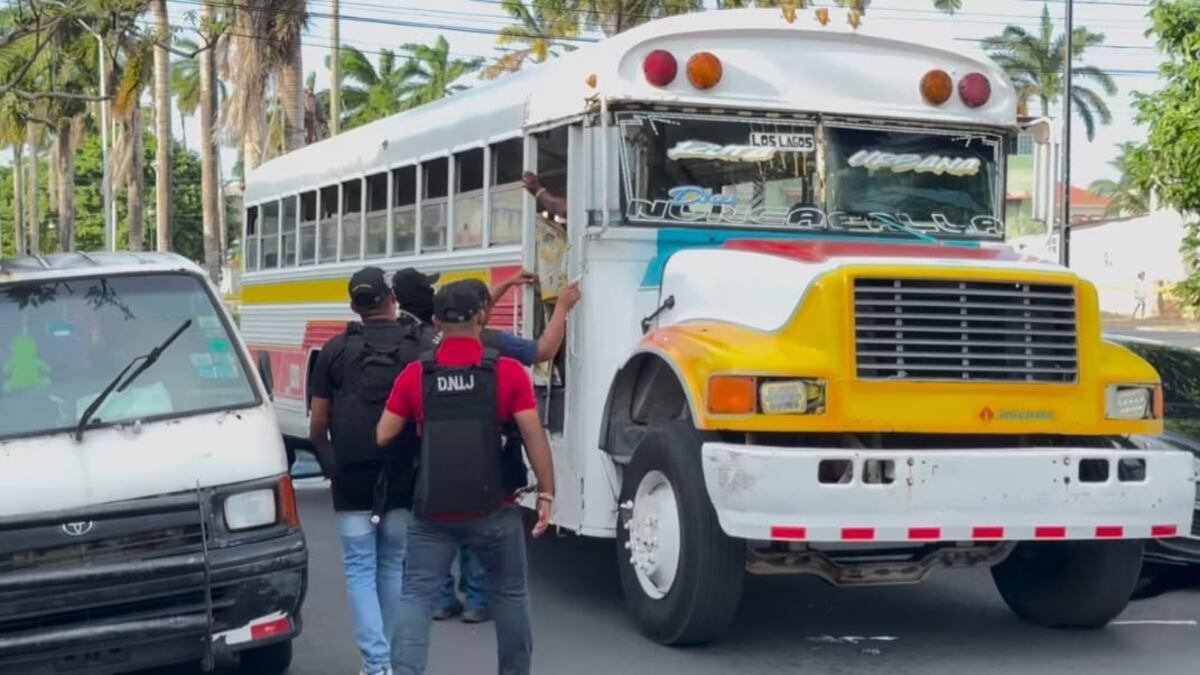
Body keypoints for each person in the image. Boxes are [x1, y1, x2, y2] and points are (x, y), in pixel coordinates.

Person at [378, 281, 555, 675]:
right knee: (510, 595)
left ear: (437, 321)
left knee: (417, 596)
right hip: (496, 509)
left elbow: (384, 433)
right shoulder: (506, 372)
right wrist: (546, 493)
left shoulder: (416, 374)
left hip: (431, 512)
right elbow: (533, 436)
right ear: (481, 316)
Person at [309, 266, 433, 675]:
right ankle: (391, 662)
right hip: (401, 474)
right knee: (392, 563)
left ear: (353, 306)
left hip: (352, 478)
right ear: (392, 300)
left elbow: (318, 425)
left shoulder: (334, 351)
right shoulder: (419, 348)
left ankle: (376, 665)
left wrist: (333, 469)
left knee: (360, 568)